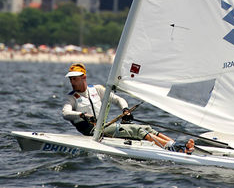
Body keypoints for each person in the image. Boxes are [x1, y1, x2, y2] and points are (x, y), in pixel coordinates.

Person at [62, 63, 194, 153]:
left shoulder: (97, 89)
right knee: (137, 130)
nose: (72, 82)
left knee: (147, 128)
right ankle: (177, 149)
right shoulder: (72, 98)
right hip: (92, 131)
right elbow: (66, 113)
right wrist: (81, 115)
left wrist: (125, 109)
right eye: (71, 79)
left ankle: (175, 144)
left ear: (83, 77)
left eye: (75, 79)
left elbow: (118, 99)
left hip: (104, 127)